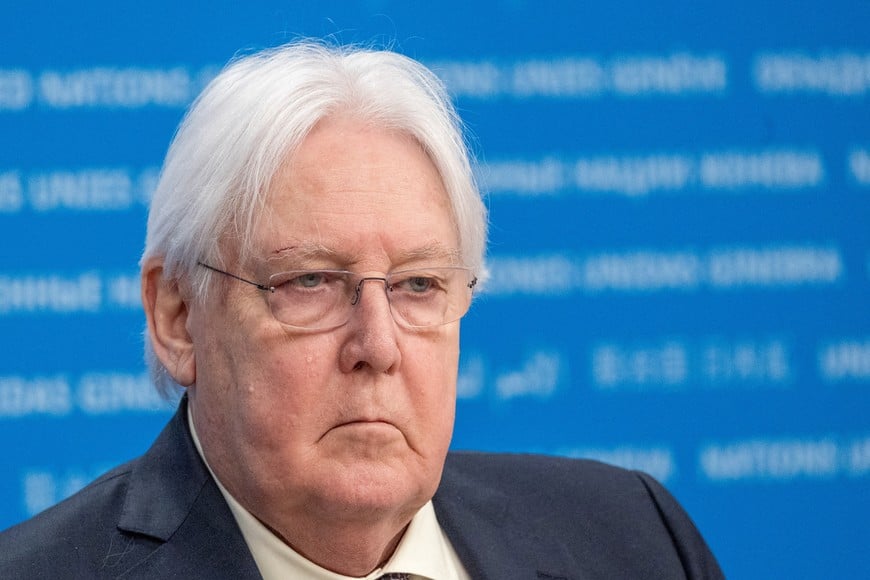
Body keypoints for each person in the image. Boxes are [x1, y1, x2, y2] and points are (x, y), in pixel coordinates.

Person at [0, 41, 724, 579]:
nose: (378, 346)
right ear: (178, 315)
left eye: (418, 286)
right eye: (310, 281)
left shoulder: (634, 538)